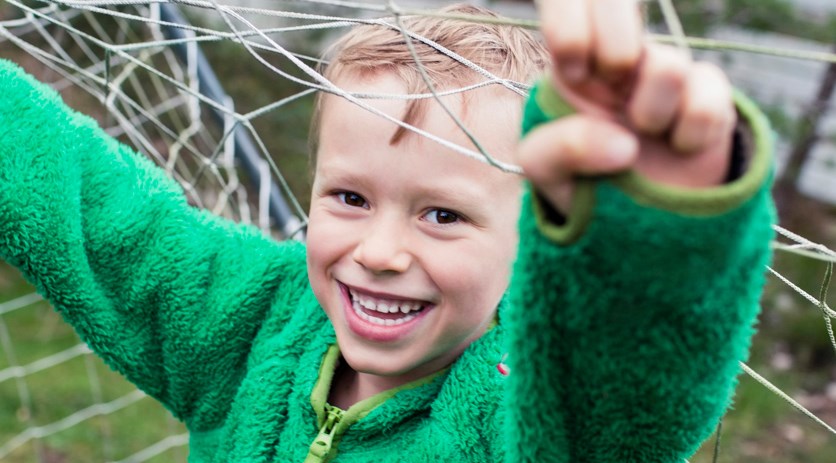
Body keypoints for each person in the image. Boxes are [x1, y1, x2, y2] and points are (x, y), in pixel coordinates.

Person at [0, 1, 775, 462]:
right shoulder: (257, 322)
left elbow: (632, 383)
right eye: (349, 197)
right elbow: (102, 218)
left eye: (443, 214)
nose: (378, 251)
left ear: (530, 243)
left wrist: (659, 226)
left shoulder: (529, 413)